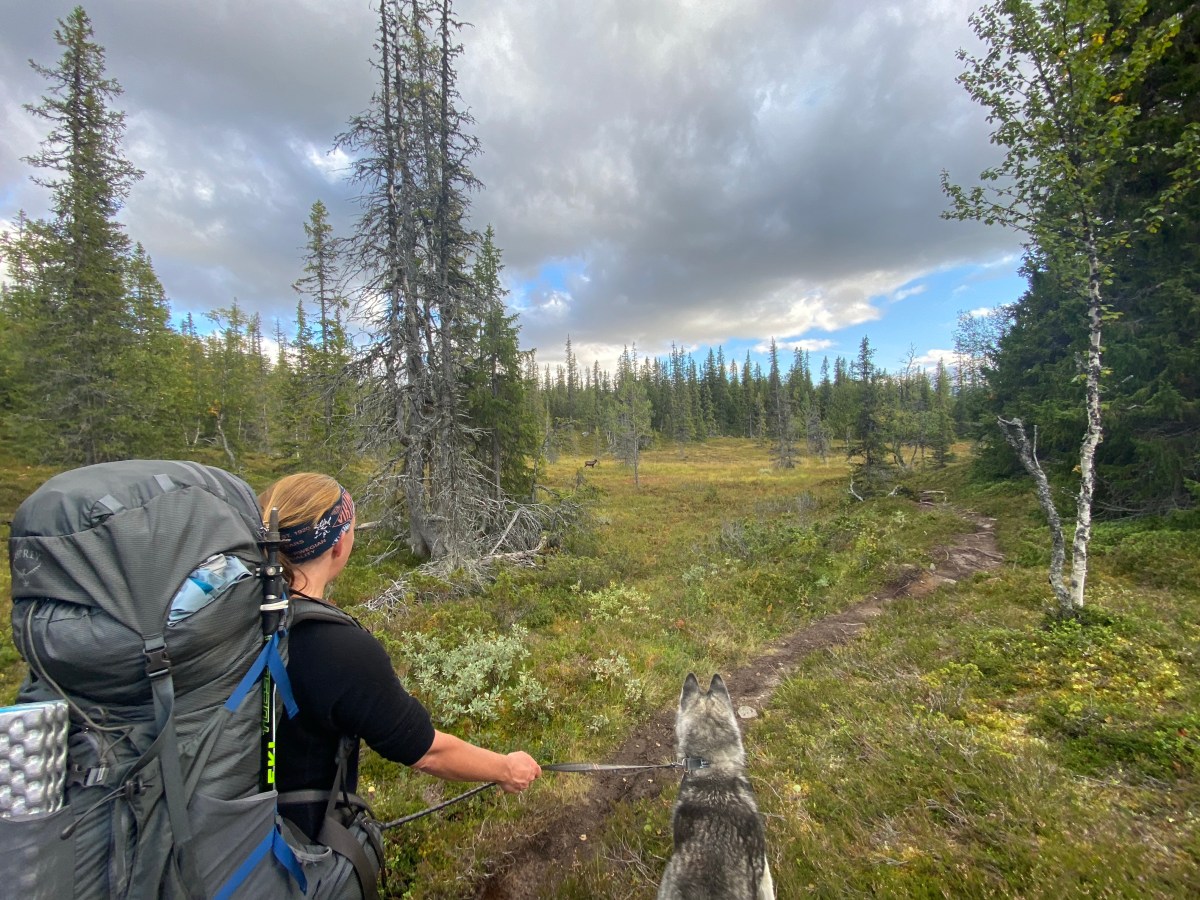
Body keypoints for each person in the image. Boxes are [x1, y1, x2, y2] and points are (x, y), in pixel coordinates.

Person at [257, 473, 542, 847]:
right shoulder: (340, 651)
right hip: (290, 851)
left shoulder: (226, 617)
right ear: (338, 545)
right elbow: (426, 751)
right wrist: (506, 768)